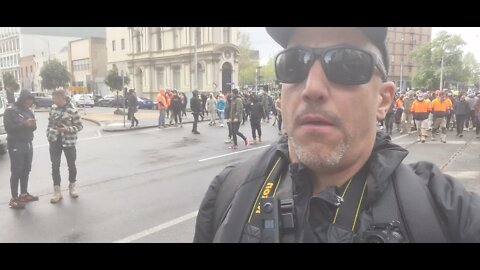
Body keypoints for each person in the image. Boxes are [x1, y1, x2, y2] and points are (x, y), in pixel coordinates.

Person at [193, 27, 480, 243]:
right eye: (294, 63)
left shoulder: (446, 213)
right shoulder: (228, 191)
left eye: (346, 63)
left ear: (383, 100)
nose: (312, 88)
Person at [47, 89, 83, 203]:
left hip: (69, 142)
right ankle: (57, 191)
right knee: (55, 166)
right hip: (54, 141)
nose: (53, 100)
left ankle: (72, 187)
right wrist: (49, 134)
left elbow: (79, 126)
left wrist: (67, 129)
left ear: (61, 98)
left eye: (54, 98)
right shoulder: (53, 108)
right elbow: (49, 123)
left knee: (71, 165)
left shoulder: (73, 110)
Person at [3, 90, 38, 209]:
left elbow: (33, 127)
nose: (31, 102)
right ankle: (14, 198)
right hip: (15, 144)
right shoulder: (11, 110)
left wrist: (32, 125)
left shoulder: (29, 111)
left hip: (28, 143)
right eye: (29, 100)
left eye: (32, 100)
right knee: (17, 171)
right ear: (23, 99)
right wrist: (24, 124)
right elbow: (9, 128)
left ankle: (24, 194)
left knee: (26, 170)